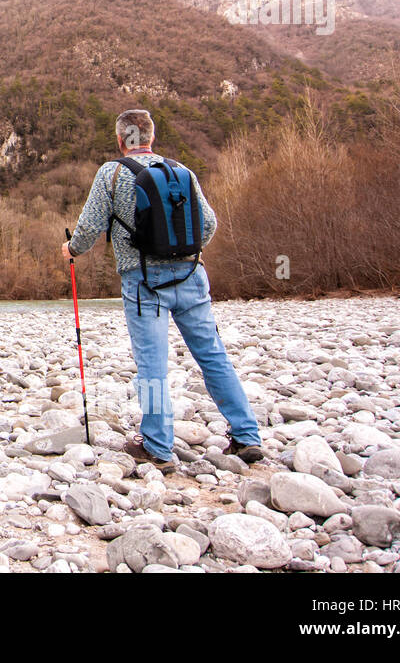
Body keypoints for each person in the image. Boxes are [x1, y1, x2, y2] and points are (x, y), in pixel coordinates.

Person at [61, 108, 263, 474]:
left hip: (143, 283)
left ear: (121, 140)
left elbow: (89, 228)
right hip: (191, 276)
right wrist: (183, 252)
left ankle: (157, 446)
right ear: (151, 137)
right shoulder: (181, 171)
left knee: (152, 365)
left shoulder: (112, 172)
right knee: (212, 354)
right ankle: (247, 436)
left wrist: (71, 249)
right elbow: (209, 224)